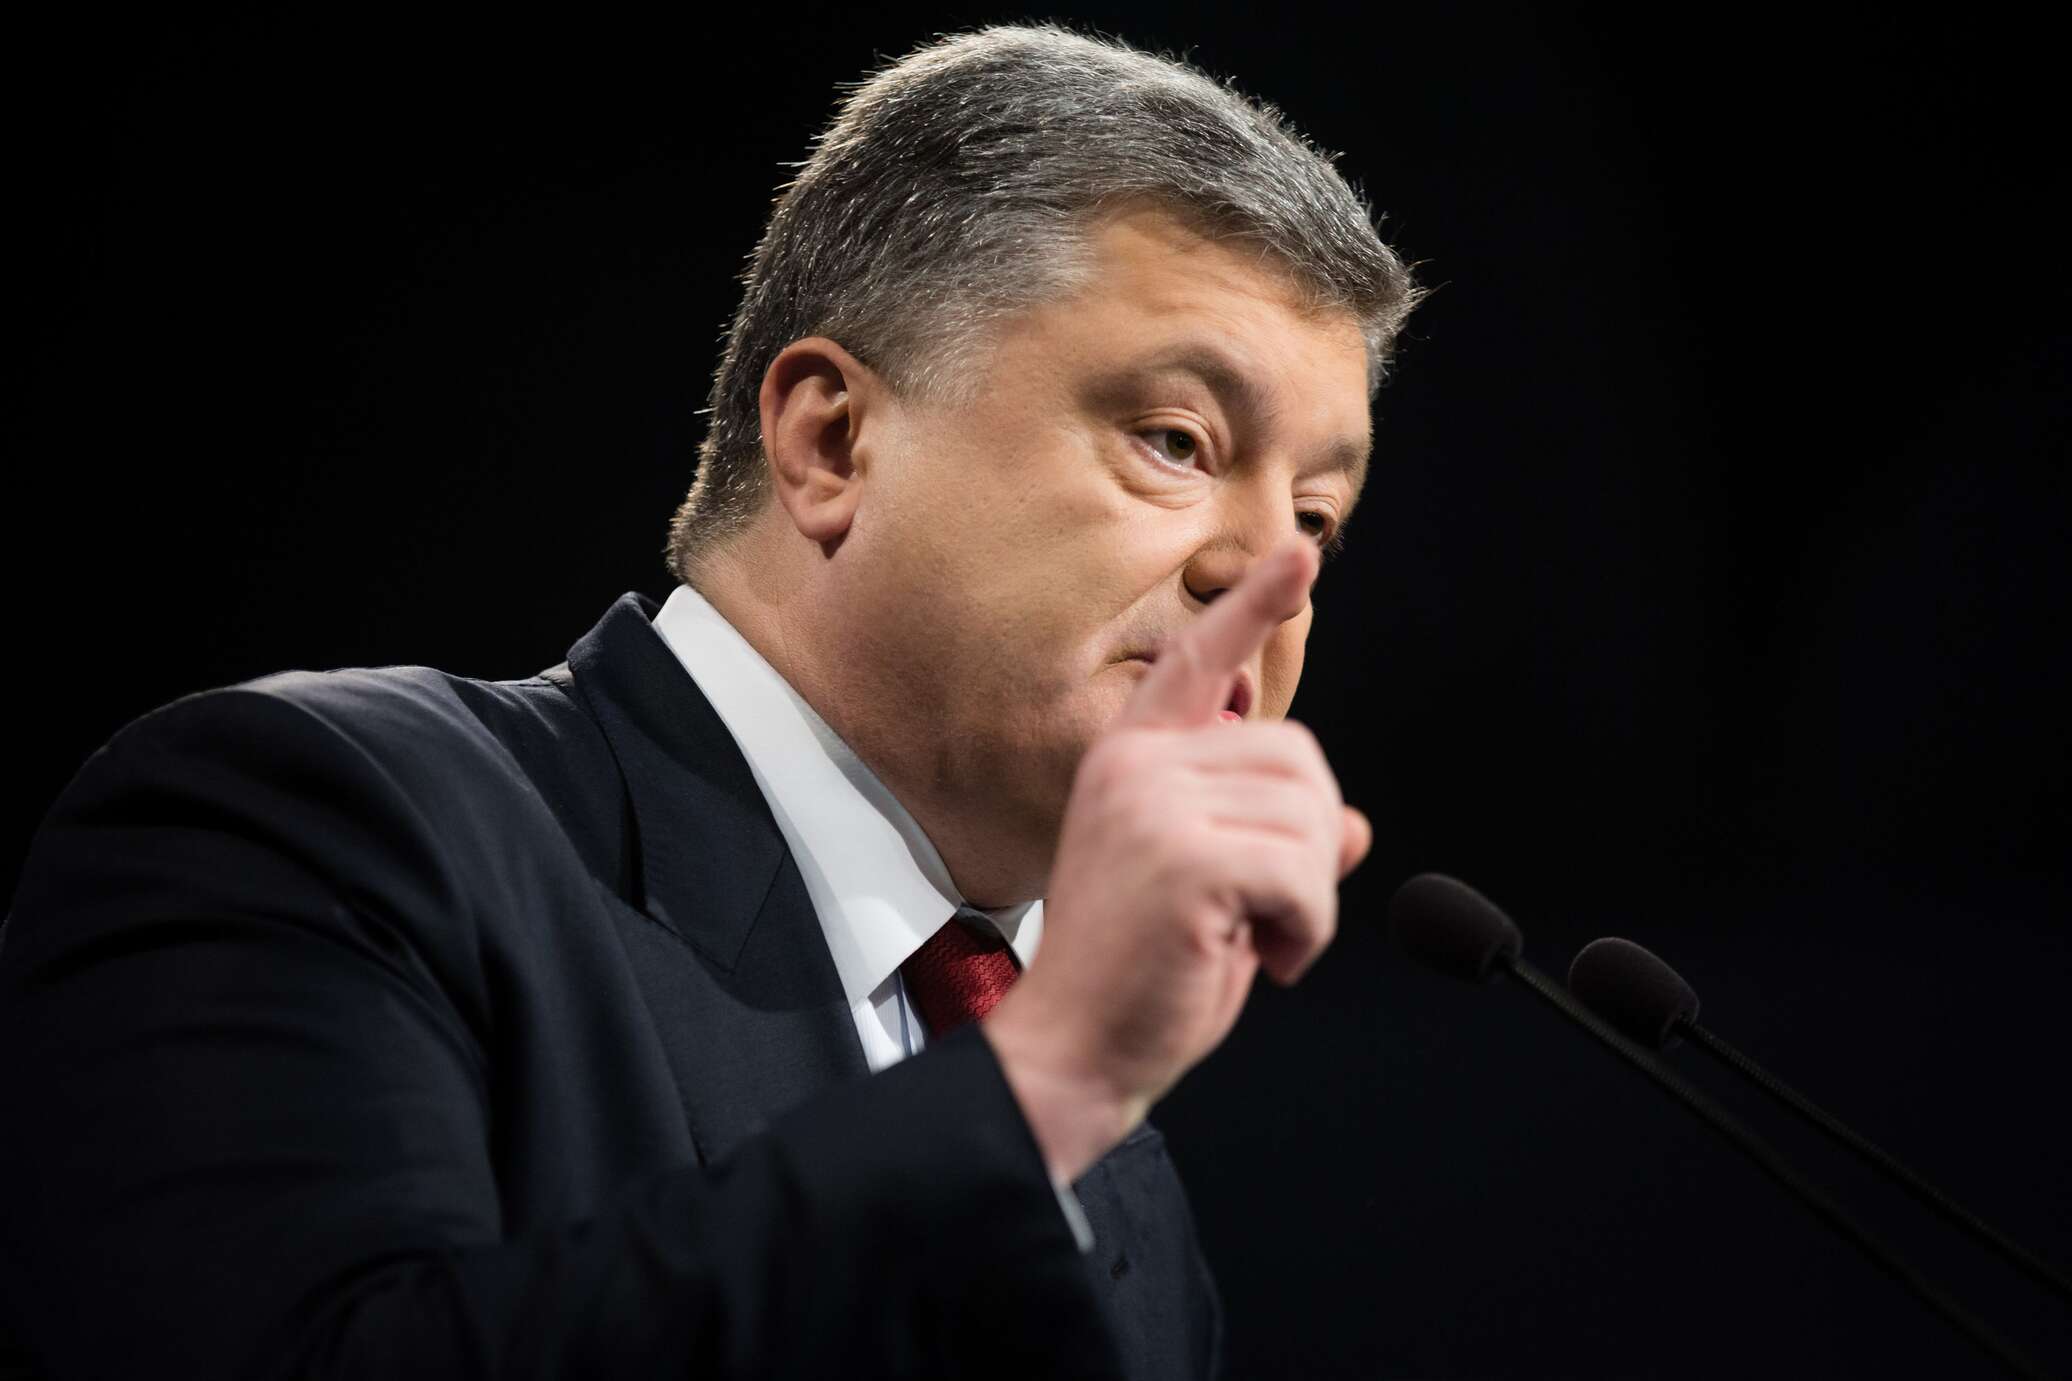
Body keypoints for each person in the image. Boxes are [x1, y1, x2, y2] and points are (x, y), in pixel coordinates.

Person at [0, 23, 1419, 1379]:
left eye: (1319, 515)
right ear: (830, 442)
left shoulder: (1116, 1181)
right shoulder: (324, 824)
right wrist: (1043, 1082)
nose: (1272, 573)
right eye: (1176, 441)